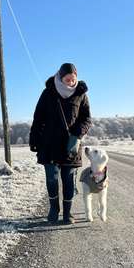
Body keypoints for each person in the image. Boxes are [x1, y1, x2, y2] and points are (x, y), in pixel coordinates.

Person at [29, 63, 92, 224]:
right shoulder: (48, 93)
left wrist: (78, 133)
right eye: (68, 79)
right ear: (60, 77)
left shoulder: (81, 94)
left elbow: (86, 119)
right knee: (52, 179)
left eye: (73, 79)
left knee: (69, 180)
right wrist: (34, 139)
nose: (71, 82)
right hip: (49, 145)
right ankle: (54, 209)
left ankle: (67, 213)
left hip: (70, 145)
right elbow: (38, 118)